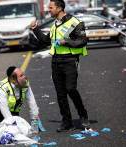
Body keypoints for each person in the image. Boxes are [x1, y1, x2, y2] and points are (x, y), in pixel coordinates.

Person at [30, 0, 89, 132]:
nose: (48, 10)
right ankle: (67, 121)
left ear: (59, 8)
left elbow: (83, 41)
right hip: (56, 61)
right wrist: (35, 30)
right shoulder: (54, 24)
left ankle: (83, 115)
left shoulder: (74, 22)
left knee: (70, 89)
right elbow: (47, 41)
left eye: (51, 8)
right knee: (60, 93)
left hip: (70, 60)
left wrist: (65, 41)